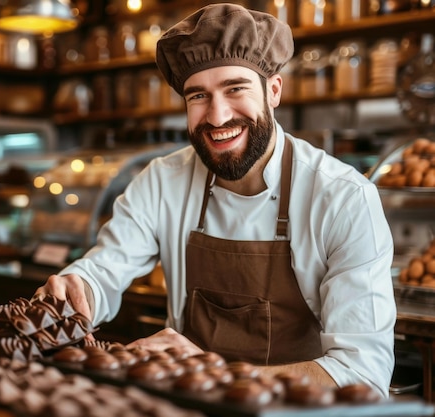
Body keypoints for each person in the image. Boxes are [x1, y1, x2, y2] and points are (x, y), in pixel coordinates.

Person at [33, 3, 396, 397]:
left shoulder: (343, 198)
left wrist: (218, 372)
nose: (217, 116)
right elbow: (105, 270)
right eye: (198, 96)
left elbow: (362, 373)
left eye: (235, 88)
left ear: (273, 90)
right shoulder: (162, 182)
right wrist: (78, 288)